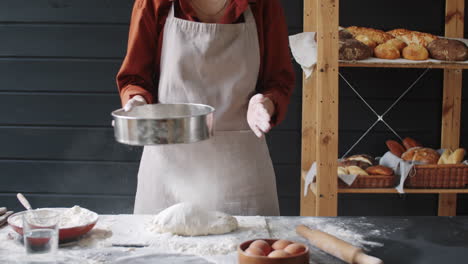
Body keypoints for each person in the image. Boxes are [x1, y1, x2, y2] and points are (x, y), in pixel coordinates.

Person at [117, 0, 295, 216]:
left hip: (241, 167)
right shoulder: (154, 3)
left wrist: (265, 103)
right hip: (168, 165)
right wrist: (137, 102)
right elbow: (135, 78)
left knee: (249, 246)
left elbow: (278, 81)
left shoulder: (263, 5)